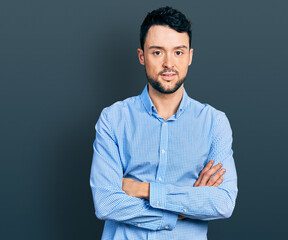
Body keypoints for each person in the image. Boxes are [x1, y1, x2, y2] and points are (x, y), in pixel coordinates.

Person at [90, 6, 238, 240]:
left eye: (178, 52)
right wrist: (181, 210)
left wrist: (143, 190)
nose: (168, 63)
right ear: (142, 56)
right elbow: (107, 203)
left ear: (190, 56)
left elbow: (222, 202)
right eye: (157, 52)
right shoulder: (113, 119)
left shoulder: (214, 123)